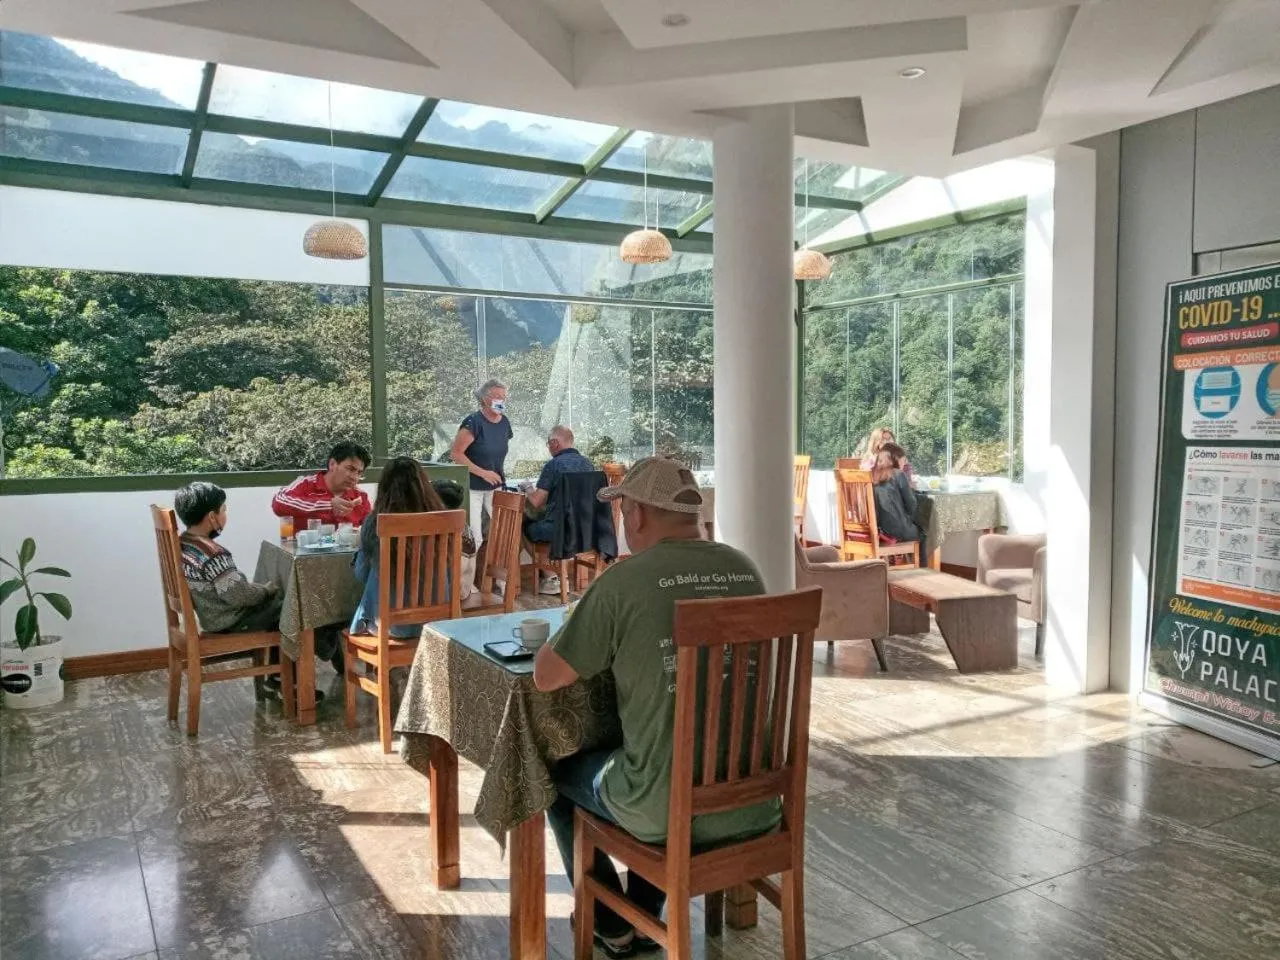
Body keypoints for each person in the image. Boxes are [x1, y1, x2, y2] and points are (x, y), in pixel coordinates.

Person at [532, 458, 779, 958]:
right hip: (757, 802)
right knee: (656, 749)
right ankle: (642, 916)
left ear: (637, 513)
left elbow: (546, 675)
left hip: (665, 810)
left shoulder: (625, 582)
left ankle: (612, 923)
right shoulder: (744, 569)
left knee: (551, 776)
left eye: (621, 509)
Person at [349, 456, 449, 638]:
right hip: (438, 623)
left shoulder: (375, 522)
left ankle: (385, 665)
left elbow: (361, 575)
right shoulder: (444, 520)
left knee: (359, 613)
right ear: (424, 485)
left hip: (390, 625)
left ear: (384, 487)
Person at [176, 481, 282, 634]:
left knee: (276, 605)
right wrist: (265, 591)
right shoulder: (213, 555)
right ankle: (324, 651)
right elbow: (239, 596)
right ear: (212, 517)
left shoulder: (184, 544)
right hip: (232, 622)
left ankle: (273, 658)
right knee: (289, 609)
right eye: (223, 510)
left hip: (212, 618)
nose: (225, 514)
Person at [451, 379, 512, 548]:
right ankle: (469, 573)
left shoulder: (505, 423)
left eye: (504, 397)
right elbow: (456, 454)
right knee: (475, 538)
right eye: (497, 396)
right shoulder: (473, 422)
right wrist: (483, 473)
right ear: (485, 399)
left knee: (503, 533)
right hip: (473, 487)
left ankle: (496, 573)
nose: (502, 400)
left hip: (496, 485)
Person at [272, 441, 372, 528]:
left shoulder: (360, 496)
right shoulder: (306, 484)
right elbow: (278, 502)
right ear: (332, 464)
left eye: (359, 473)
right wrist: (328, 504)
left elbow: (370, 530)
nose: (354, 477)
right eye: (350, 469)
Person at [524, 425, 595, 542]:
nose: (548, 447)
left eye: (548, 444)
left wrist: (527, 488)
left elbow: (537, 502)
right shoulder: (588, 464)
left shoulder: (553, 465)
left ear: (555, 443)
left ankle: (542, 560)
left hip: (556, 530)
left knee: (523, 524)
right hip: (584, 529)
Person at [871, 442, 925, 557]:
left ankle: (902, 562)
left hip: (879, 530)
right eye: (903, 460)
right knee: (923, 532)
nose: (904, 463)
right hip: (898, 531)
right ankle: (922, 570)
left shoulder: (873, 476)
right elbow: (911, 506)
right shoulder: (899, 474)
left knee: (909, 525)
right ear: (895, 459)